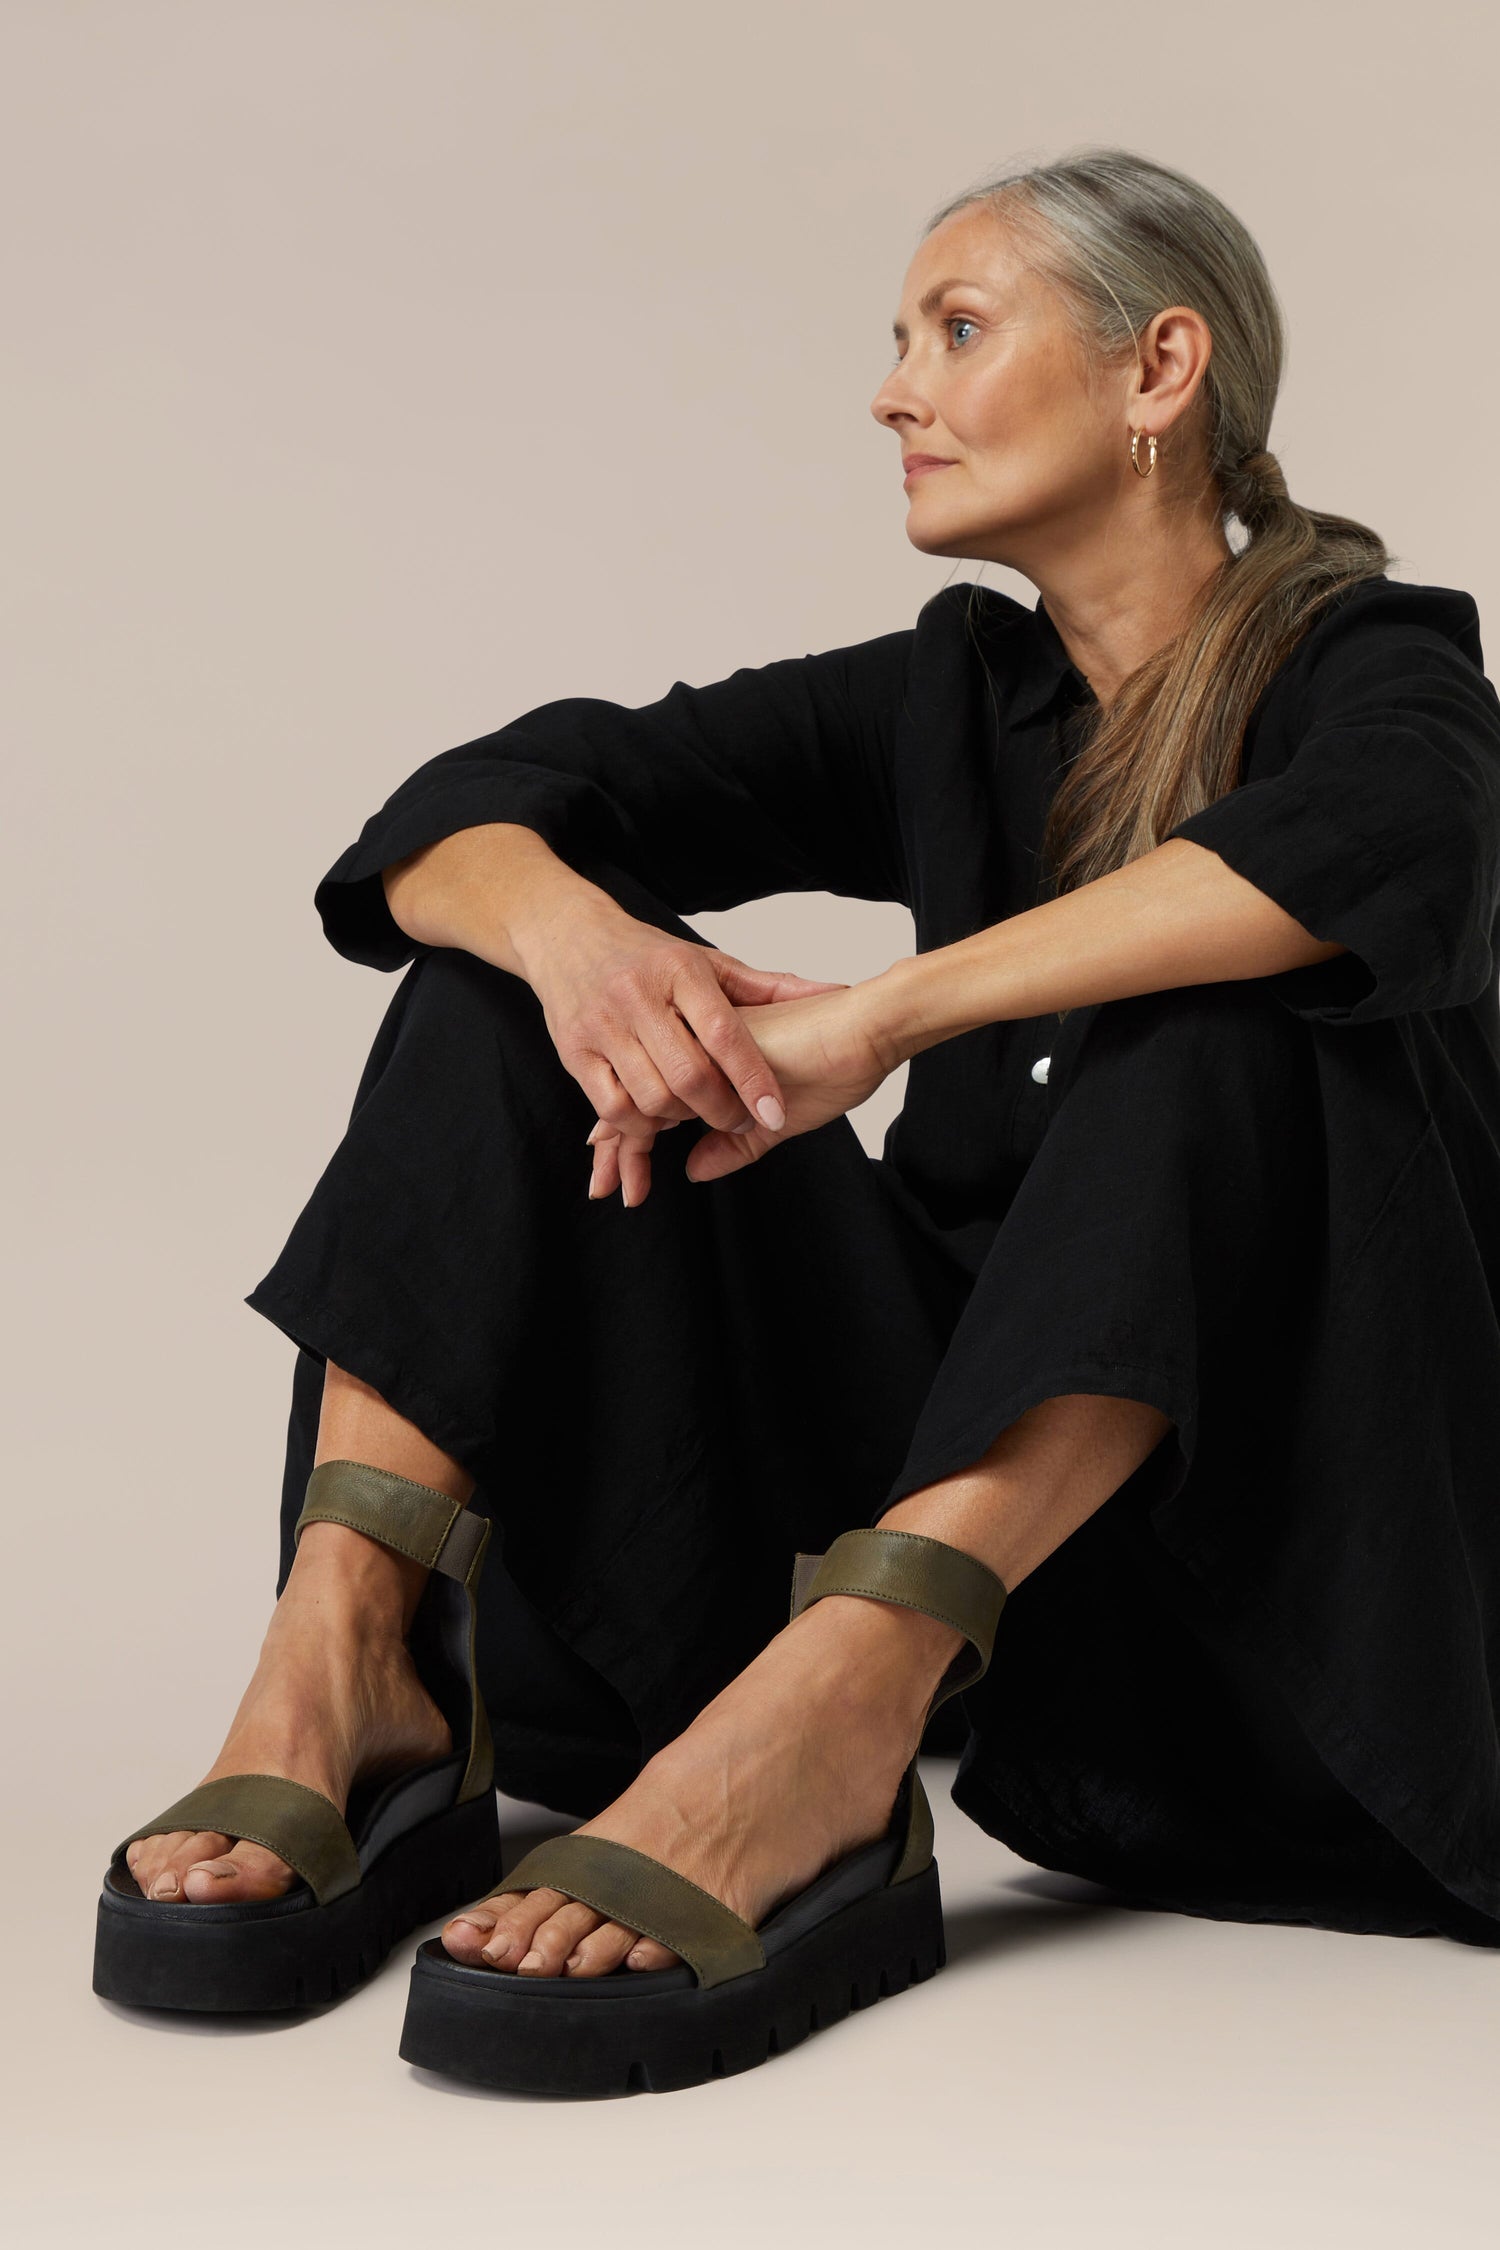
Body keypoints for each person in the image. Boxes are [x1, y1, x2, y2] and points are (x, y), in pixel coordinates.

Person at [109, 144, 1500, 2013]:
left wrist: (882, 1015)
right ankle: (354, 1652)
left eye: (958, 326)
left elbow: (1378, 843)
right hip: (920, 1453)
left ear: (1160, 369)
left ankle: (844, 1705)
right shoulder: (954, 695)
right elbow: (467, 807)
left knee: (1221, 1013)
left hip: (1250, 1522)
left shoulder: (1378, 667)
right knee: (504, 990)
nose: (891, 387)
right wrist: (593, 951)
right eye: (900, 337)